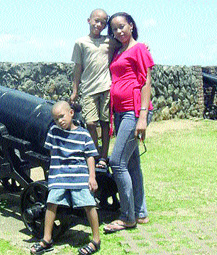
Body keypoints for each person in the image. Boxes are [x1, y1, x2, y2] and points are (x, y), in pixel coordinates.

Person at [103, 12, 154, 233]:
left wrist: (142, 116)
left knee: (117, 162)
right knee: (132, 164)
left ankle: (127, 216)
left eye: (122, 26)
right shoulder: (118, 51)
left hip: (134, 112)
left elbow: (145, 82)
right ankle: (140, 212)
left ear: (131, 26)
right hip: (121, 112)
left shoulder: (139, 49)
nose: (119, 31)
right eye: (114, 29)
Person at [30, 101, 101, 255]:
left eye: (61, 117)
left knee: (89, 204)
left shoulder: (83, 134)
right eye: (56, 119)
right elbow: (51, 152)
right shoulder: (54, 132)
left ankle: (96, 239)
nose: (59, 121)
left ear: (71, 113)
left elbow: (90, 156)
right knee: (51, 203)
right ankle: (47, 238)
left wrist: (92, 176)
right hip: (60, 175)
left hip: (79, 174)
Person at [70, 9, 120, 170]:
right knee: (90, 123)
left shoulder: (110, 42)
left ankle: (104, 157)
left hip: (106, 87)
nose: (99, 25)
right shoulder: (81, 43)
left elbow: (126, 43)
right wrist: (75, 90)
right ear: (89, 20)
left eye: (103, 22)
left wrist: (142, 45)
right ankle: (96, 152)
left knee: (105, 123)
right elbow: (78, 68)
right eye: (96, 21)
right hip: (89, 88)